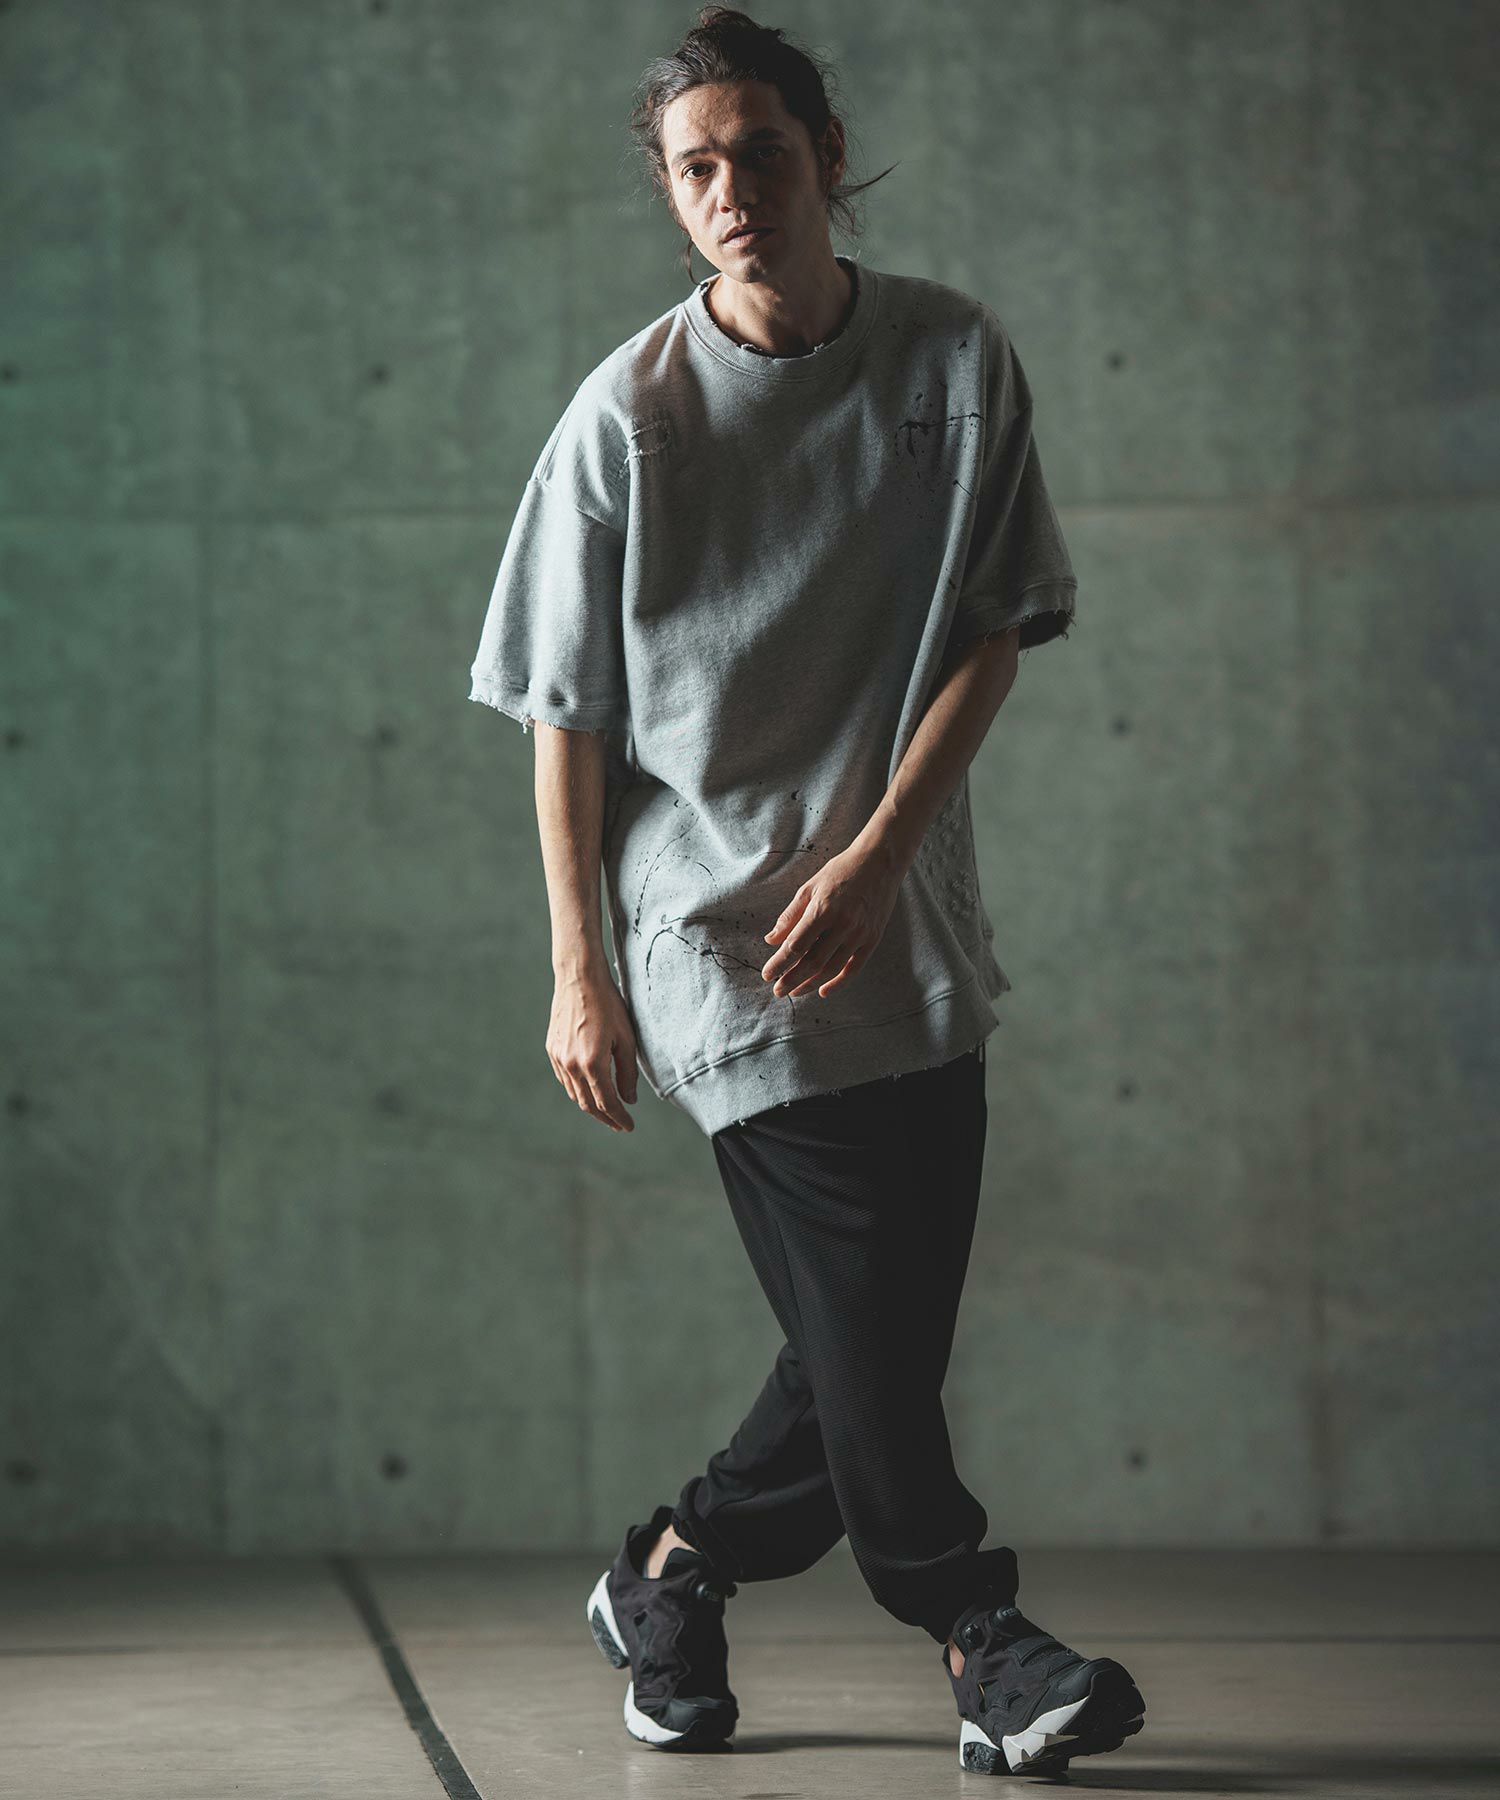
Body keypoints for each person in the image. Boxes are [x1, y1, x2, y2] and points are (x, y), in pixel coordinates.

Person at [469, 6, 1146, 1778]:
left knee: (871, 1339)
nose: (731, 191)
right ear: (669, 192)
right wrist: (580, 972)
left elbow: (995, 627)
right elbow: (563, 718)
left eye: (761, 154)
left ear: (827, 159)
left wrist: (881, 851)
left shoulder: (954, 363)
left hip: (899, 916)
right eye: (694, 168)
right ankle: (977, 1636)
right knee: (869, 1326)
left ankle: (674, 1575)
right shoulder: (627, 421)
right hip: (713, 934)